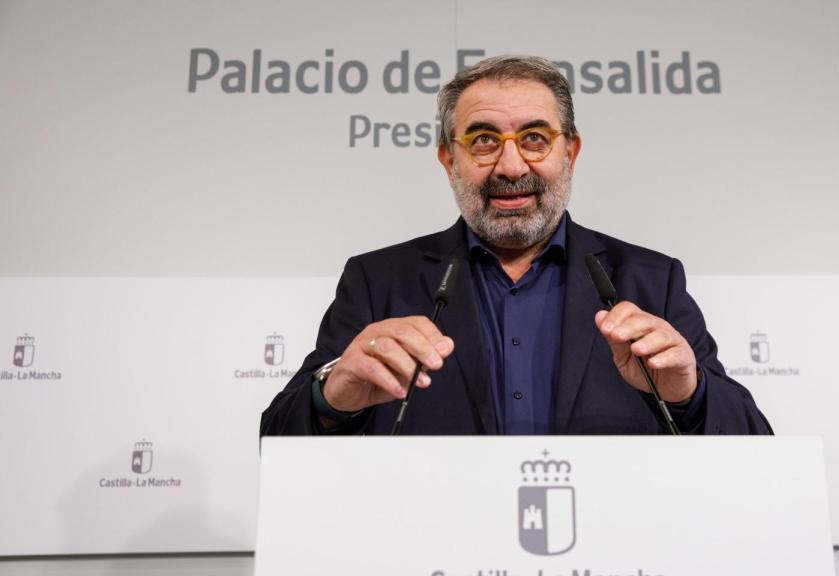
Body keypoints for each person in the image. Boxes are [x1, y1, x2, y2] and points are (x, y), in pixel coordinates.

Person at [260, 55, 771, 436]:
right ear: (447, 159)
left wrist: (690, 394)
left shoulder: (650, 280)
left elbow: (755, 444)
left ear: (570, 151)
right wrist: (334, 398)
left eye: (534, 138)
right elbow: (278, 437)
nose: (509, 167)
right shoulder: (378, 281)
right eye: (482, 140)